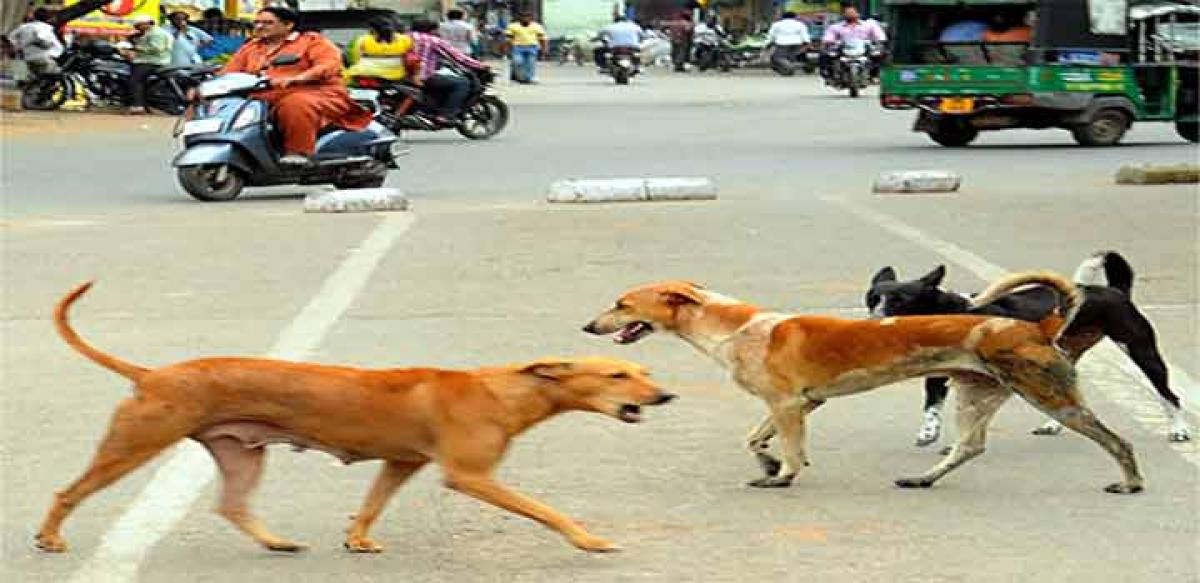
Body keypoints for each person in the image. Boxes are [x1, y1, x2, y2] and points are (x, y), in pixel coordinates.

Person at [219, 6, 372, 166]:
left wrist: (300, 78)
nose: (259, 27)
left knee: (295, 103)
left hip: (320, 93)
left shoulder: (312, 41)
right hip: (264, 97)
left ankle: (298, 152)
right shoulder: (251, 47)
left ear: (288, 25)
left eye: (267, 23)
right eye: (256, 22)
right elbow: (228, 72)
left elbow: (328, 65)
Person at [407, 18, 488, 125]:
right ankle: (446, 115)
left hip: (402, 76)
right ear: (432, 30)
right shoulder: (433, 40)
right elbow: (458, 57)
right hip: (422, 76)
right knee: (462, 83)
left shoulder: (404, 37)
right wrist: (480, 65)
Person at [121, 14, 173, 114]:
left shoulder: (156, 33)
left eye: (138, 26)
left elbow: (157, 48)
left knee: (135, 81)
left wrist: (136, 48)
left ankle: (137, 106)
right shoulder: (151, 33)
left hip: (151, 61)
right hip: (152, 60)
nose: (137, 28)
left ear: (146, 24)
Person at [820, 6, 887, 80]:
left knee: (881, 54)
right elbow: (828, 37)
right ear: (844, 15)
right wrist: (827, 42)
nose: (850, 15)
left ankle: (875, 74)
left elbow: (880, 36)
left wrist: (880, 41)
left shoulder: (869, 25)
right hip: (844, 49)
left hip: (864, 48)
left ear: (857, 14)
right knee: (825, 54)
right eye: (847, 13)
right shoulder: (836, 27)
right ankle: (828, 74)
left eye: (852, 13)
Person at [344, 16, 412, 82]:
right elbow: (410, 56)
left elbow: (354, 58)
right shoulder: (404, 39)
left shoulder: (362, 39)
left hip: (365, 73)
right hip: (396, 75)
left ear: (372, 29)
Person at [8, 7, 64, 78]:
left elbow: (11, 38)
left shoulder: (24, 27)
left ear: (34, 16)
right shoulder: (49, 29)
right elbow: (58, 48)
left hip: (27, 58)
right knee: (60, 73)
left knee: (24, 73)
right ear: (47, 18)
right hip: (44, 59)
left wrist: (18, 47)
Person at [504, 12, 547, 83]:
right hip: (517, 47)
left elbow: (542, 38)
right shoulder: (513, 26)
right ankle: (516, 75)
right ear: (520, 18)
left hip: (532, 47)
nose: (525, 19)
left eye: (527, 17)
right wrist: (506, 48)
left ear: (531, 18)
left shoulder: (536, 26)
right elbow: (508, 39)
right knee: (518, 62)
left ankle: (529, 78)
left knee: (530, 63)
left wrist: (544, 49)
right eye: (523, 17)